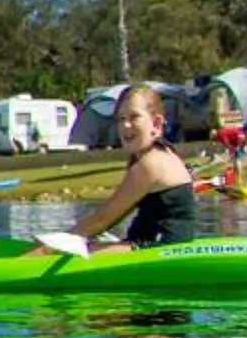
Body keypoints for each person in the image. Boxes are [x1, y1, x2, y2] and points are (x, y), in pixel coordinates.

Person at [43, 83, 195, 253]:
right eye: (121, 119)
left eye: (134, 117)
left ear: (156, 123)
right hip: (150, 244)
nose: (125, 125)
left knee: (69, 252)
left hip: (159, 250)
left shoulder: (150, 164)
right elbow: (115, 216)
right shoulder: (161, 153)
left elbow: (102, 220)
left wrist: (48, 249)